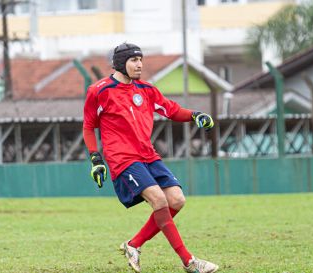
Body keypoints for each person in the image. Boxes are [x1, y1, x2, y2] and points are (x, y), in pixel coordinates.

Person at [83, 42, 219, 273]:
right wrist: (96, 159)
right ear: (120, 63)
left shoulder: (146, 89)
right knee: (159, 199)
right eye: (134, 60)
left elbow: (170, 110)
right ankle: (189, 261)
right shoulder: (100, 90)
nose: (140, 65)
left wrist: (194, 115)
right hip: (122, 158)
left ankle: (133, 244)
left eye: (141, 60)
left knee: (177, 200)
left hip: (148, 154)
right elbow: (88, 126)